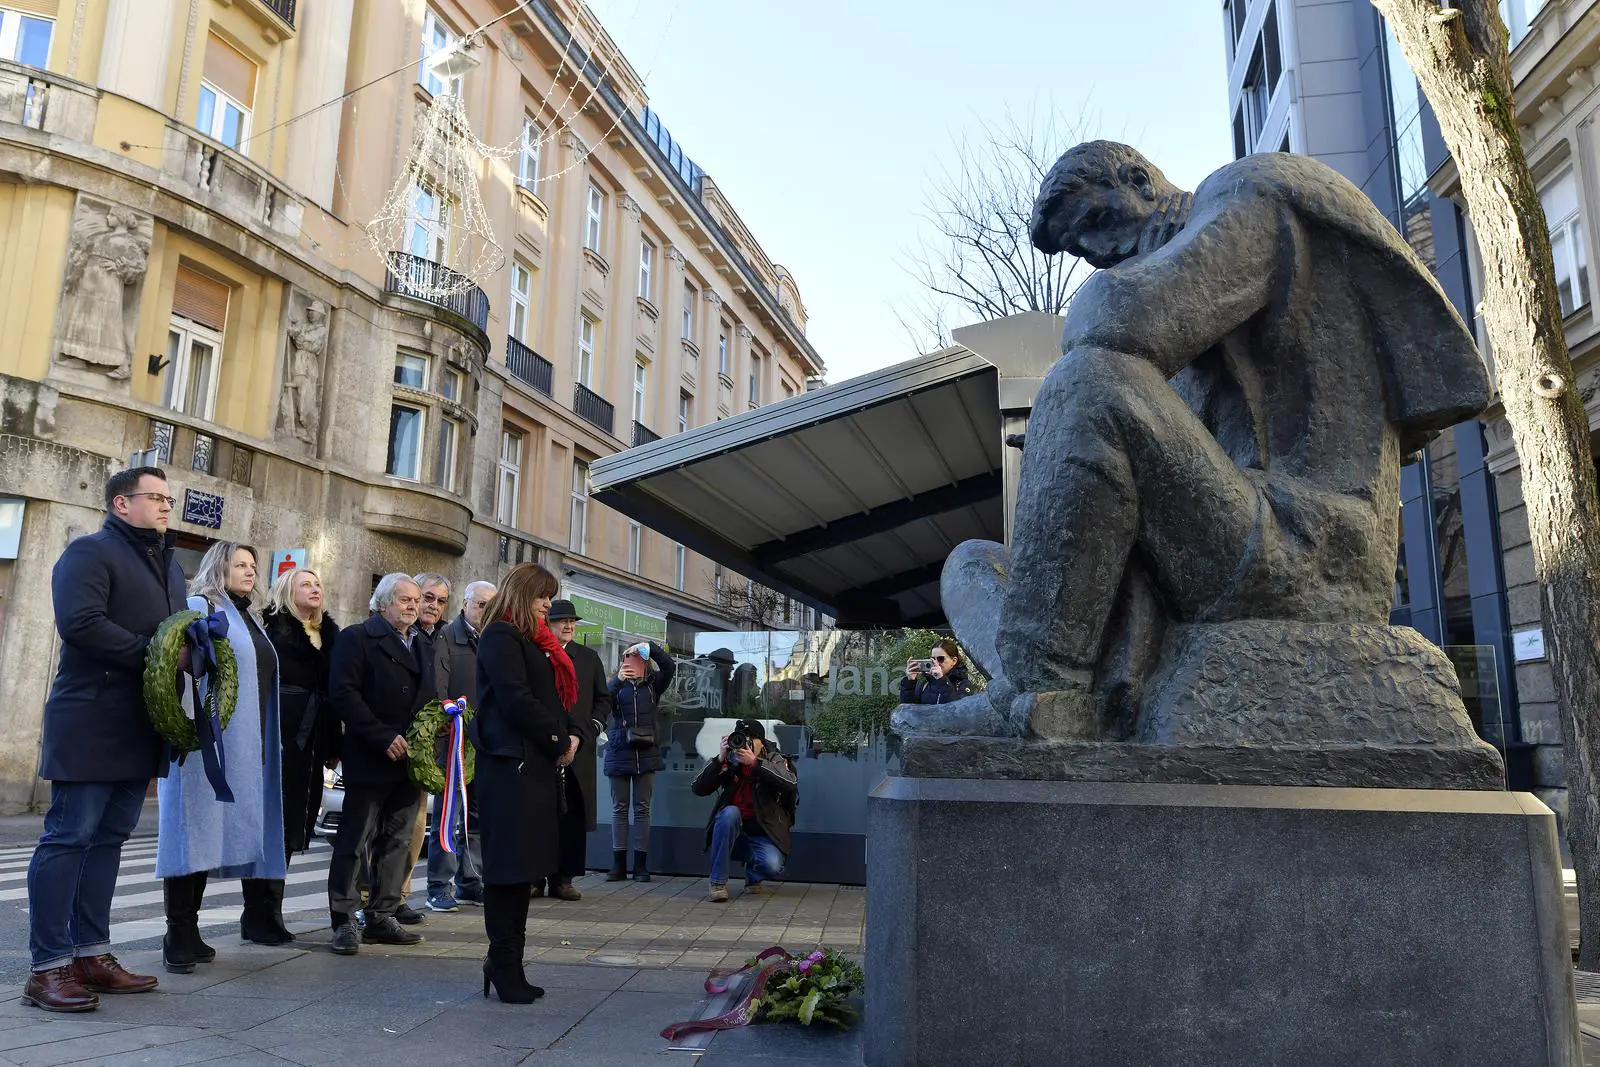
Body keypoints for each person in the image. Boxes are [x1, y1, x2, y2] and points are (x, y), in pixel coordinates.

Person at [23, 467, 180, 1011]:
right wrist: (159, 655)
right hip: (90, 718)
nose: (165, 506)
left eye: (168, 498)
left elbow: (179, 631)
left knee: (110, 840)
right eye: (155, 497)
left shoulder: (168, 564)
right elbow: (81, 623)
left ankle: (92, 953)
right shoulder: (89, 553)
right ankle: (46, 968)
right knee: (69, 837)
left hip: (140, 723)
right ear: (120, 504)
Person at [156, 542, 286, 969]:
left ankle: (190, 929)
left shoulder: (247, 616)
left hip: (243, 744)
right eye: (240, 564)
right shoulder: (200, 605)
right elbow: (177, 666)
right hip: (202, 744)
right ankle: (177, 931)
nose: (251, 571)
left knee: (210, 834)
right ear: (219, 567)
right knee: (191, 831)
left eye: (253, 564)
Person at [470, 563, 572, 1003]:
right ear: (521, 594)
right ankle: (503, 961)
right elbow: (516, 699)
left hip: (532, 766)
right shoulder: (501, 636)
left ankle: (510, 963)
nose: (548, 604)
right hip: (511, 766)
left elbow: (549, 698)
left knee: (524, 869)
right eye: (541, 596)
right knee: (508, 870)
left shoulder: (530, 638)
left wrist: (572, 735)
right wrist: (556, 740)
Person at [325, 574, 433, 956]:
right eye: (404, 599)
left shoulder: (422, 644)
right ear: (383, 603)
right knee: (355, 840)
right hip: (371, 755)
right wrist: (380, 735)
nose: (413, 606)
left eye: (416, 600)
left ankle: (382, 915)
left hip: (410, 762)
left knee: (399, 841)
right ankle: (344, 919)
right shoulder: (357, 638)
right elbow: (342, 693)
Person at [263, 569, 341, 919]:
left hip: (312, 736)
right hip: (280, 733)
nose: (315, 589)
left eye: (318, 583)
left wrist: (331, 743)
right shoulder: (271, 627)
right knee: (274, 822)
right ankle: (263, 913)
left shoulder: (329, 633)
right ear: (286, 590)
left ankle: (271, 911)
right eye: (306, 584)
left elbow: (330, 693)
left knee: (296, 822)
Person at [426, 579, 494, 913]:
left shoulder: (493, 639)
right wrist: (447, 721)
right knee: (448, 814)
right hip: (453, 739)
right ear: (465, 603)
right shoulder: (447, 637)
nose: (486, 610)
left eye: (491, 605)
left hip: (484, 740)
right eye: (481, 604)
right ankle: (439, 885)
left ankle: (471, 880)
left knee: (477, 814)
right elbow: (440, 689)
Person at [691, 719, 797, 903]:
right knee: (729, 814)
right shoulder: (730, 761)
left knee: (772, 866)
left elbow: (789, 783)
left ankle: (753, 876)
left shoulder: (773, 758)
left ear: (761, 742)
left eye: (751, 740)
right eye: (742, 739)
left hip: (764, 832)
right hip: (734, 830)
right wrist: (719, 760)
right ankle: (717, 883)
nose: (745, 745)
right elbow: (697, 788)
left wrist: (756, 763)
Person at [543, 600, 605, 901]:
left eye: (572, 621)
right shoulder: (537, 654)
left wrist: (590, 729)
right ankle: (534, 876)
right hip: (543, 745)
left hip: (579, 748)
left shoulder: (589, 658)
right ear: (548, 623)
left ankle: (563, 878)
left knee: (571, 815)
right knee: (541, 814)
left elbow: (603, 701)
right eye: (561, 621)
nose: (568, 626)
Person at [604, 641, 675, 882]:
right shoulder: (615, 685)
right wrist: (618, 681)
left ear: (645, 662)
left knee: (642, 808)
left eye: (637, 657)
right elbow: (602, 701)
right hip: (619, 750)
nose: (632, 662)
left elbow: (669, 666)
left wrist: (649, 646)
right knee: (619, 809)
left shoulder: (654, 685)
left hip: (646, 752)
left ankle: (641, 865)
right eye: (628, 657)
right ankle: (618, 865)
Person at [899, 639, 971, 706]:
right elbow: (910, 711)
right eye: (933, 659)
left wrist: (942, 680)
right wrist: (909, 682)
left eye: (940, 659)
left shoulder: (963, 684)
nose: (936, 663)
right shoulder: (925, 684)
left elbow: (958, 712)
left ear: (954, 661)